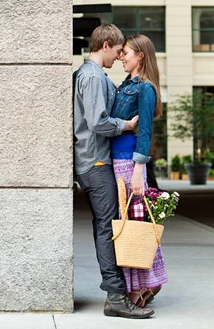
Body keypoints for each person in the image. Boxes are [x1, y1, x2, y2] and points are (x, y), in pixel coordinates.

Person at [73, 24, 154, 319]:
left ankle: (119, 293)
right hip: (95, 163)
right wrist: (127, 126)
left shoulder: (92, 75)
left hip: (94, 160)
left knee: (106, 226)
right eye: (118, 50)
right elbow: (98, 122)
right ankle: (116, 297)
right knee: (107, 228)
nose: (119, 56)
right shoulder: (92, 77)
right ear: (106, 45)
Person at [111, 34, 167, 308]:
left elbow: (145, 132)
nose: (121, 57)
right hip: (117, 161)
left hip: (129, 164)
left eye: (126, 53)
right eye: (120, 53)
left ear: (140, 56)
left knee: (134, 226)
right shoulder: (126, 85)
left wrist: (137, 171)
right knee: (127, 225)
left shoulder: (145, 89)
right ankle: (142, 284)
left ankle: (142, 285)